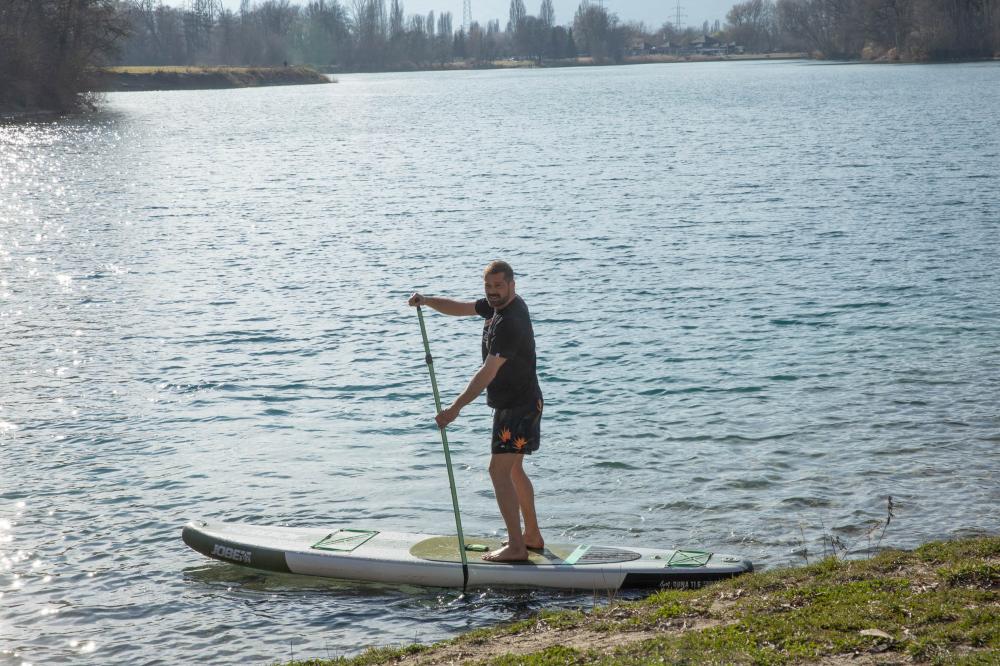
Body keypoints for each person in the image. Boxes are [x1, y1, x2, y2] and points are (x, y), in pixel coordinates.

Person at [408, 260, 544, 562]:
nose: (493, 292)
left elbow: (488, 371)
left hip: (518, 407)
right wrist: (428, 301)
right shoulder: (497, 307)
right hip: (520, 402)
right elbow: (462, 308)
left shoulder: (511, 321)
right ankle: (531, 535)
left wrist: (455, 408)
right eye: (488, 286)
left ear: (512, 285)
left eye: (499, 286)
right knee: (513, 470)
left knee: (498, 471)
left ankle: (517, 546)